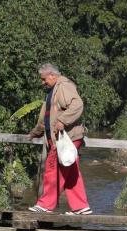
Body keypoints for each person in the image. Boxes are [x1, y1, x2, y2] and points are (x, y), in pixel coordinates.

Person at [28, 63, 92, 215]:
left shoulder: (63, 86)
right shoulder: (52, 91)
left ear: (52, 75)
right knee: (70, 173)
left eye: (44, 79)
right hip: (63, 138)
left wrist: (63, 120)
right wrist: (35, 132)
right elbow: (47, 118)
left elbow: (77, 105)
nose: (42, 82)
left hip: (66, 139)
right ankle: (81, 207)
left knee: (53, 171)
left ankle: (45, 205)